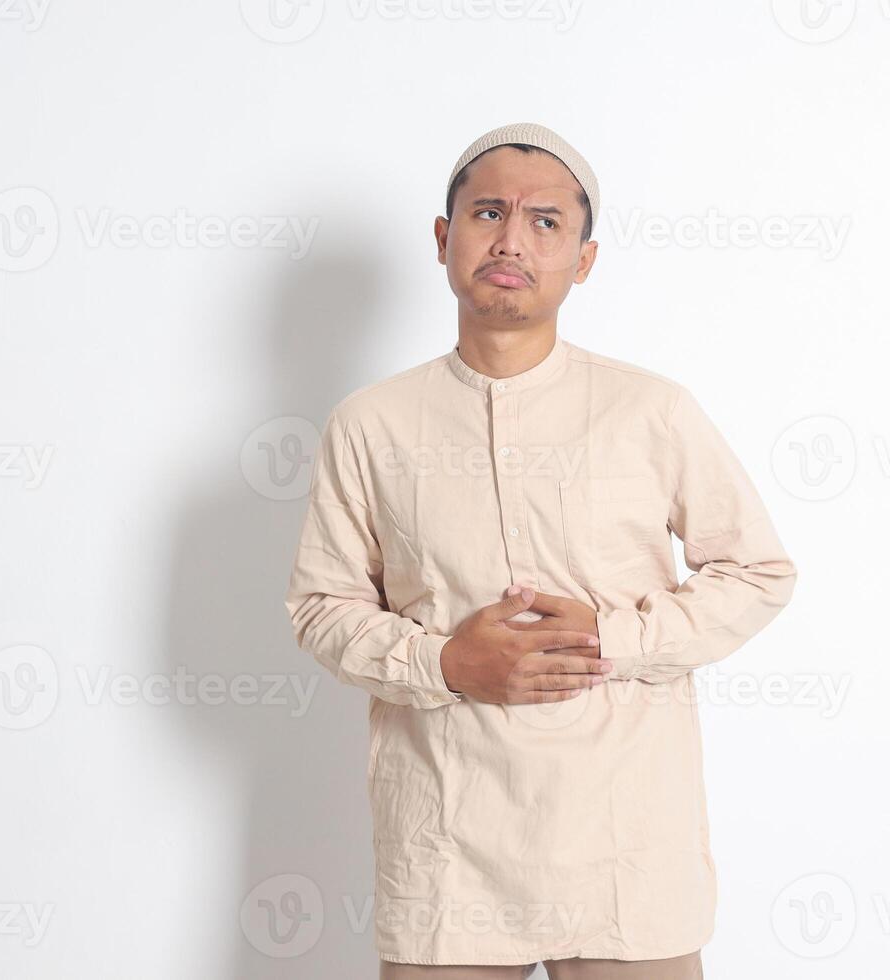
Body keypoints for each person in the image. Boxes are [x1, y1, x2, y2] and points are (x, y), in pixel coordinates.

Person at [284, 122, 798, 978]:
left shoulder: (650, 411)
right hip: (447, 850)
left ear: (584, 260)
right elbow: (320, 607)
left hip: (625, 846)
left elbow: (758, 571)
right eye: (488, 213)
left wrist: (614, 638)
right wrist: (445, 662)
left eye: (546, 221)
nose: (513, 239)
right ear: (445, 241)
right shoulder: (371, 425)